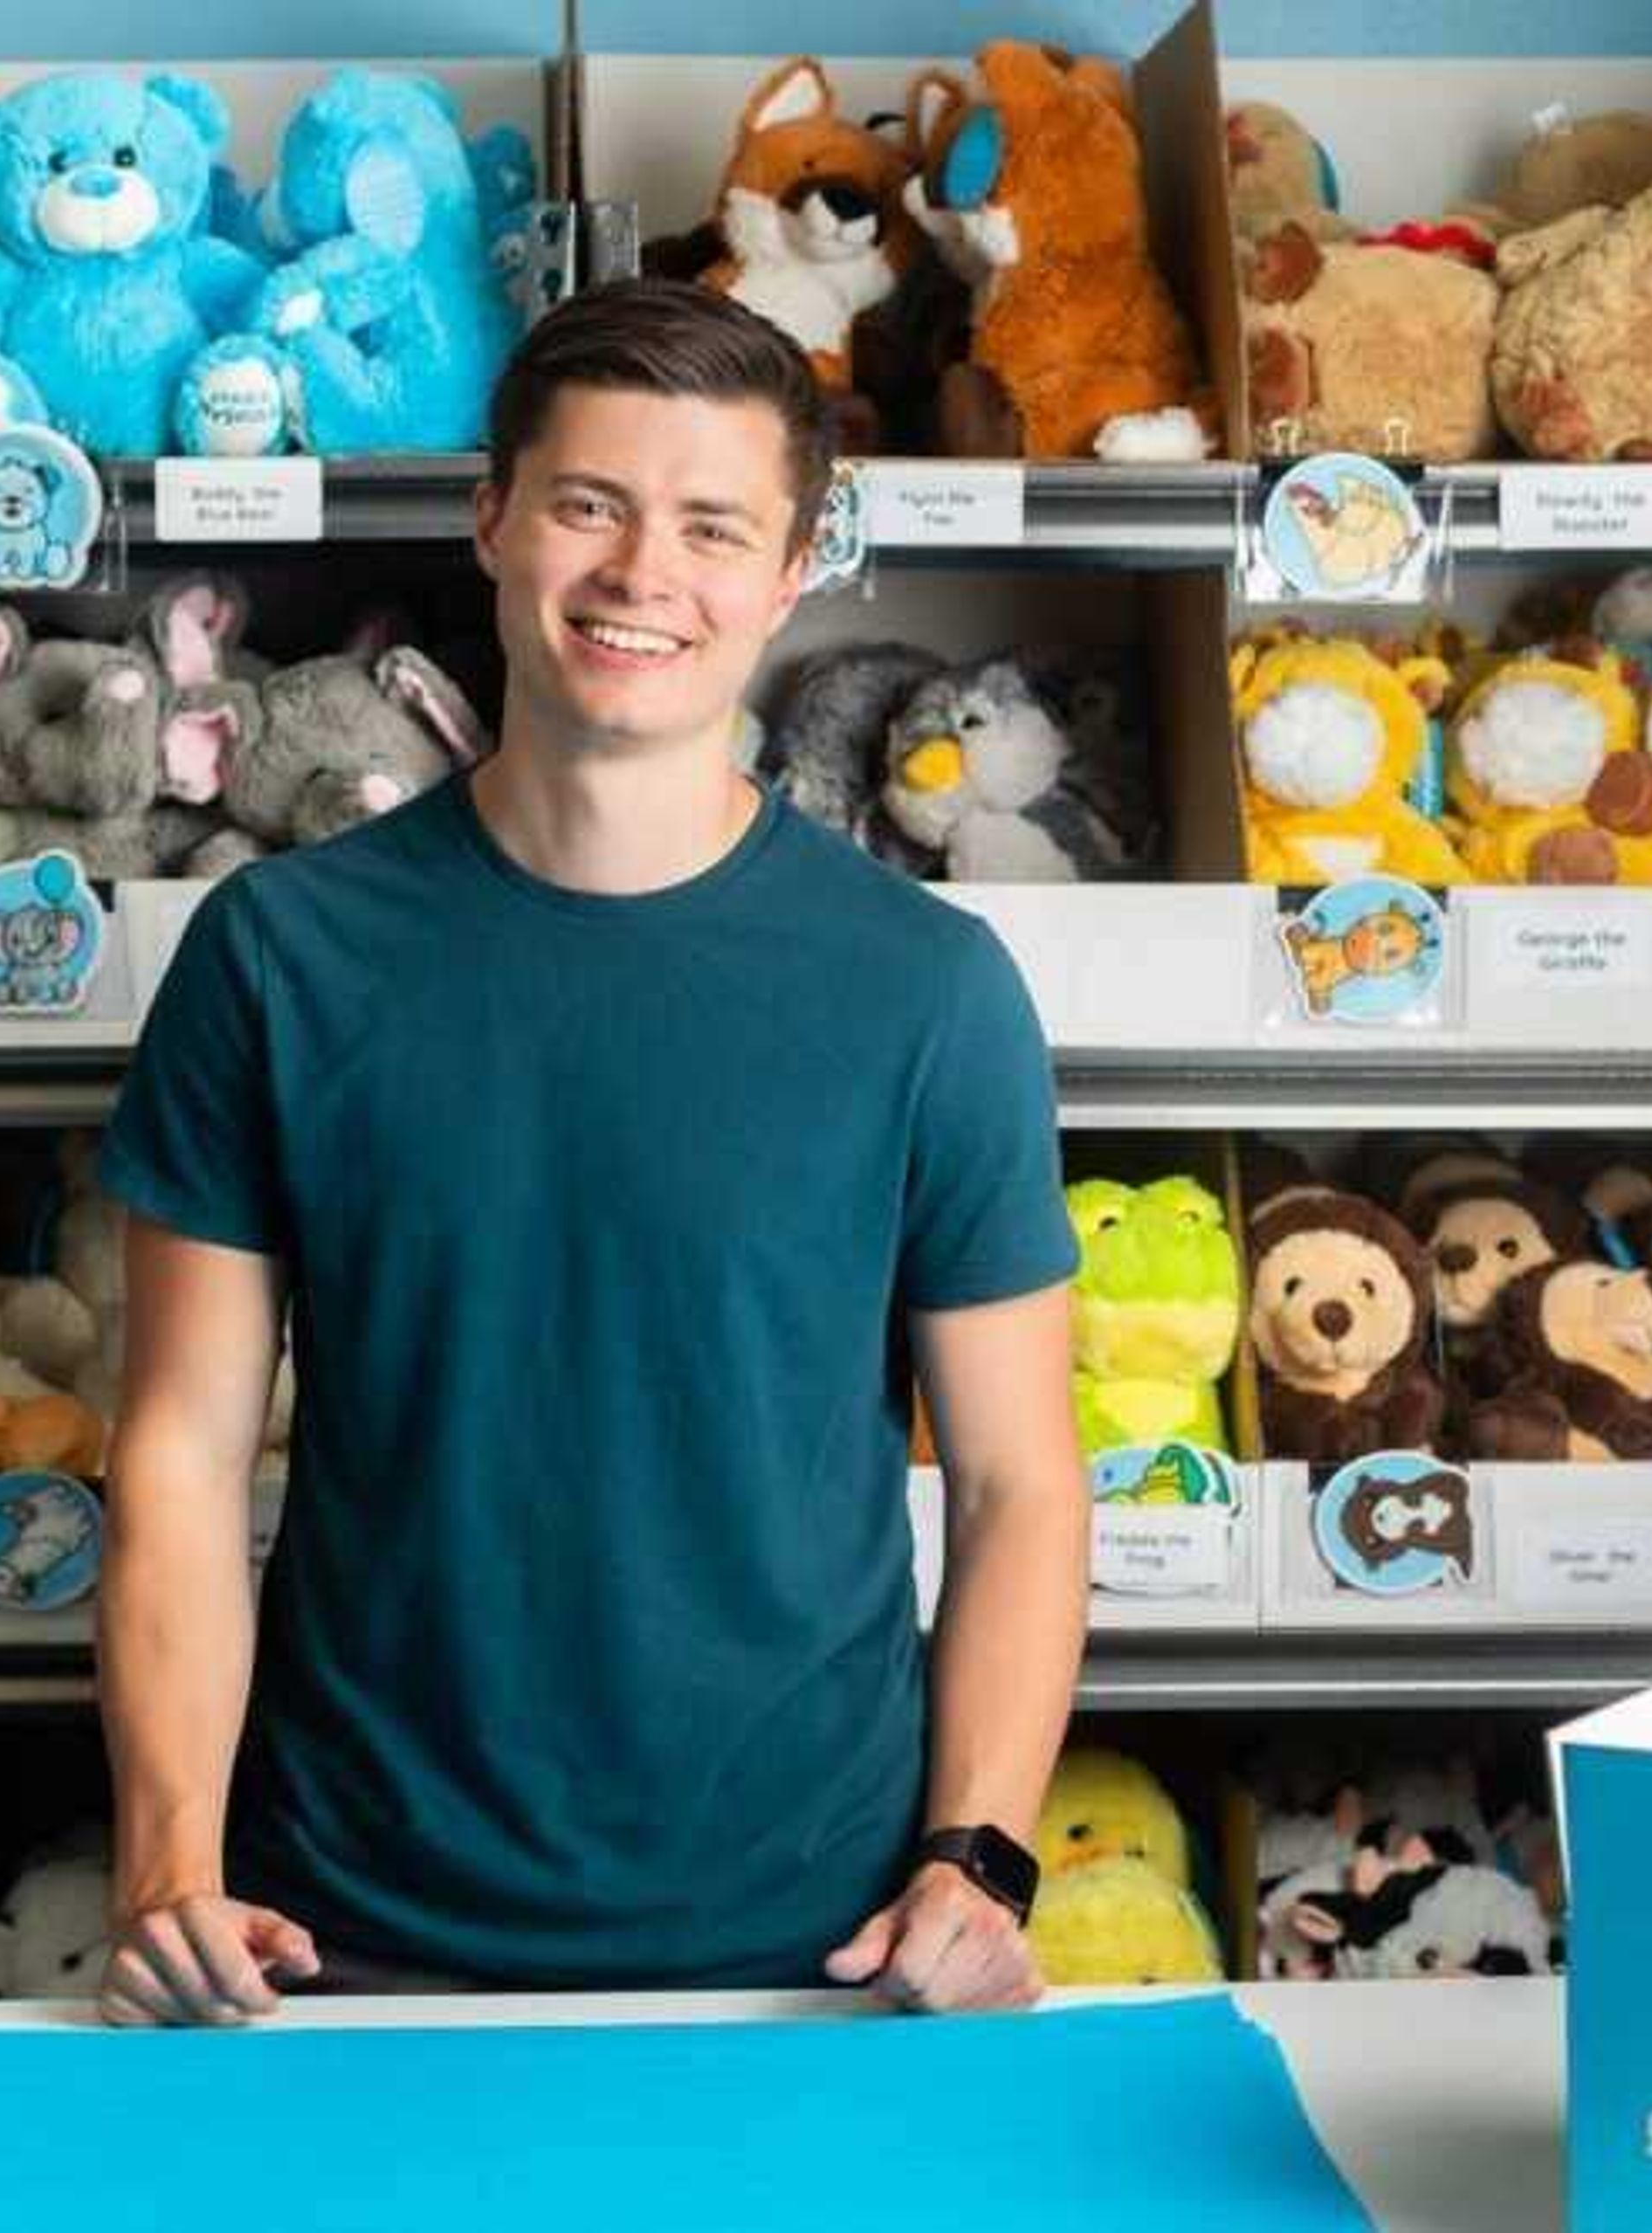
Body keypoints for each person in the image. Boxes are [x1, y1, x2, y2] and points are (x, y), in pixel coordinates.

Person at [92, 279, 1086, 2026]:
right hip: (341, 1938)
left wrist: (980, 1851)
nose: (645, 576)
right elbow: (178, 1448)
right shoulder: (277, 957)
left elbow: (1017, 1483)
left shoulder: (928, 993)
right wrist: (173, 1857)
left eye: (714, 526)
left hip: (821, 1949)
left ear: (793, 571)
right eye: (589, 505)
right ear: (491, 521)